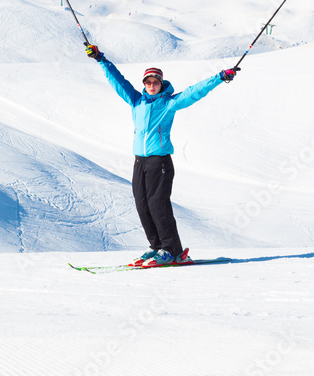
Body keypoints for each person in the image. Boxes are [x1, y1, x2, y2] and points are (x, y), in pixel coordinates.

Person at [86, 43, 238, 267]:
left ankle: (172, 250)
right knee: (142, 204)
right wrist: (100, 59)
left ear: (161, 83)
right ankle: (157, 247)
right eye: (148, 82)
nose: (151, 85)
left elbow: (195, 91)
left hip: (160, 162)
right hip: (140, 161)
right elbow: (118, 81)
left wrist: (219, 77)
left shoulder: (169, 103)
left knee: (158, 204)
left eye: (155, 82)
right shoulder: (136, 101)